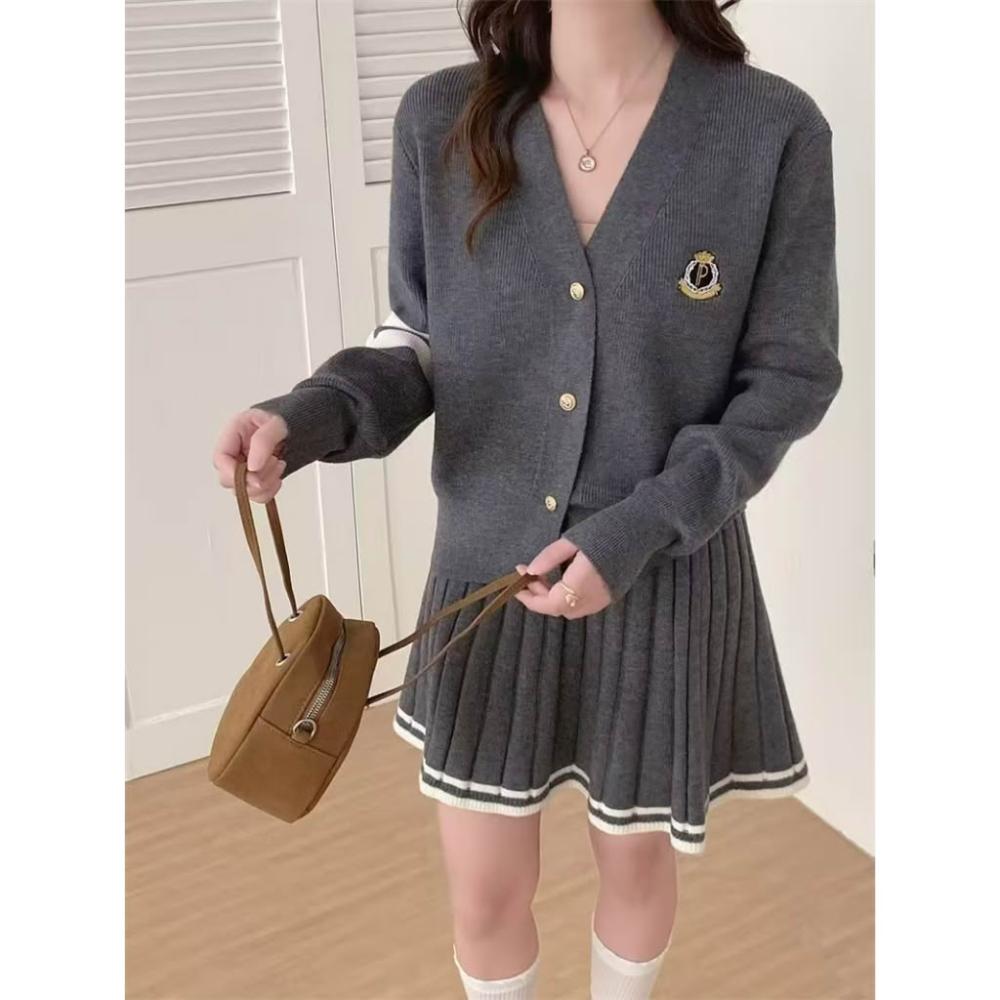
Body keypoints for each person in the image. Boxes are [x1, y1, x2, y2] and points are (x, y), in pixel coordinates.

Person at [212, 1, 842, 997]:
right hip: (488, 573)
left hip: (664, 570)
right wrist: (310, 416)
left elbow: (788, 377)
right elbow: (418, 341)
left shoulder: (770, 128)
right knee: (483, 894)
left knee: (635, 867)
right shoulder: (442, 118)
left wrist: (637, 529)